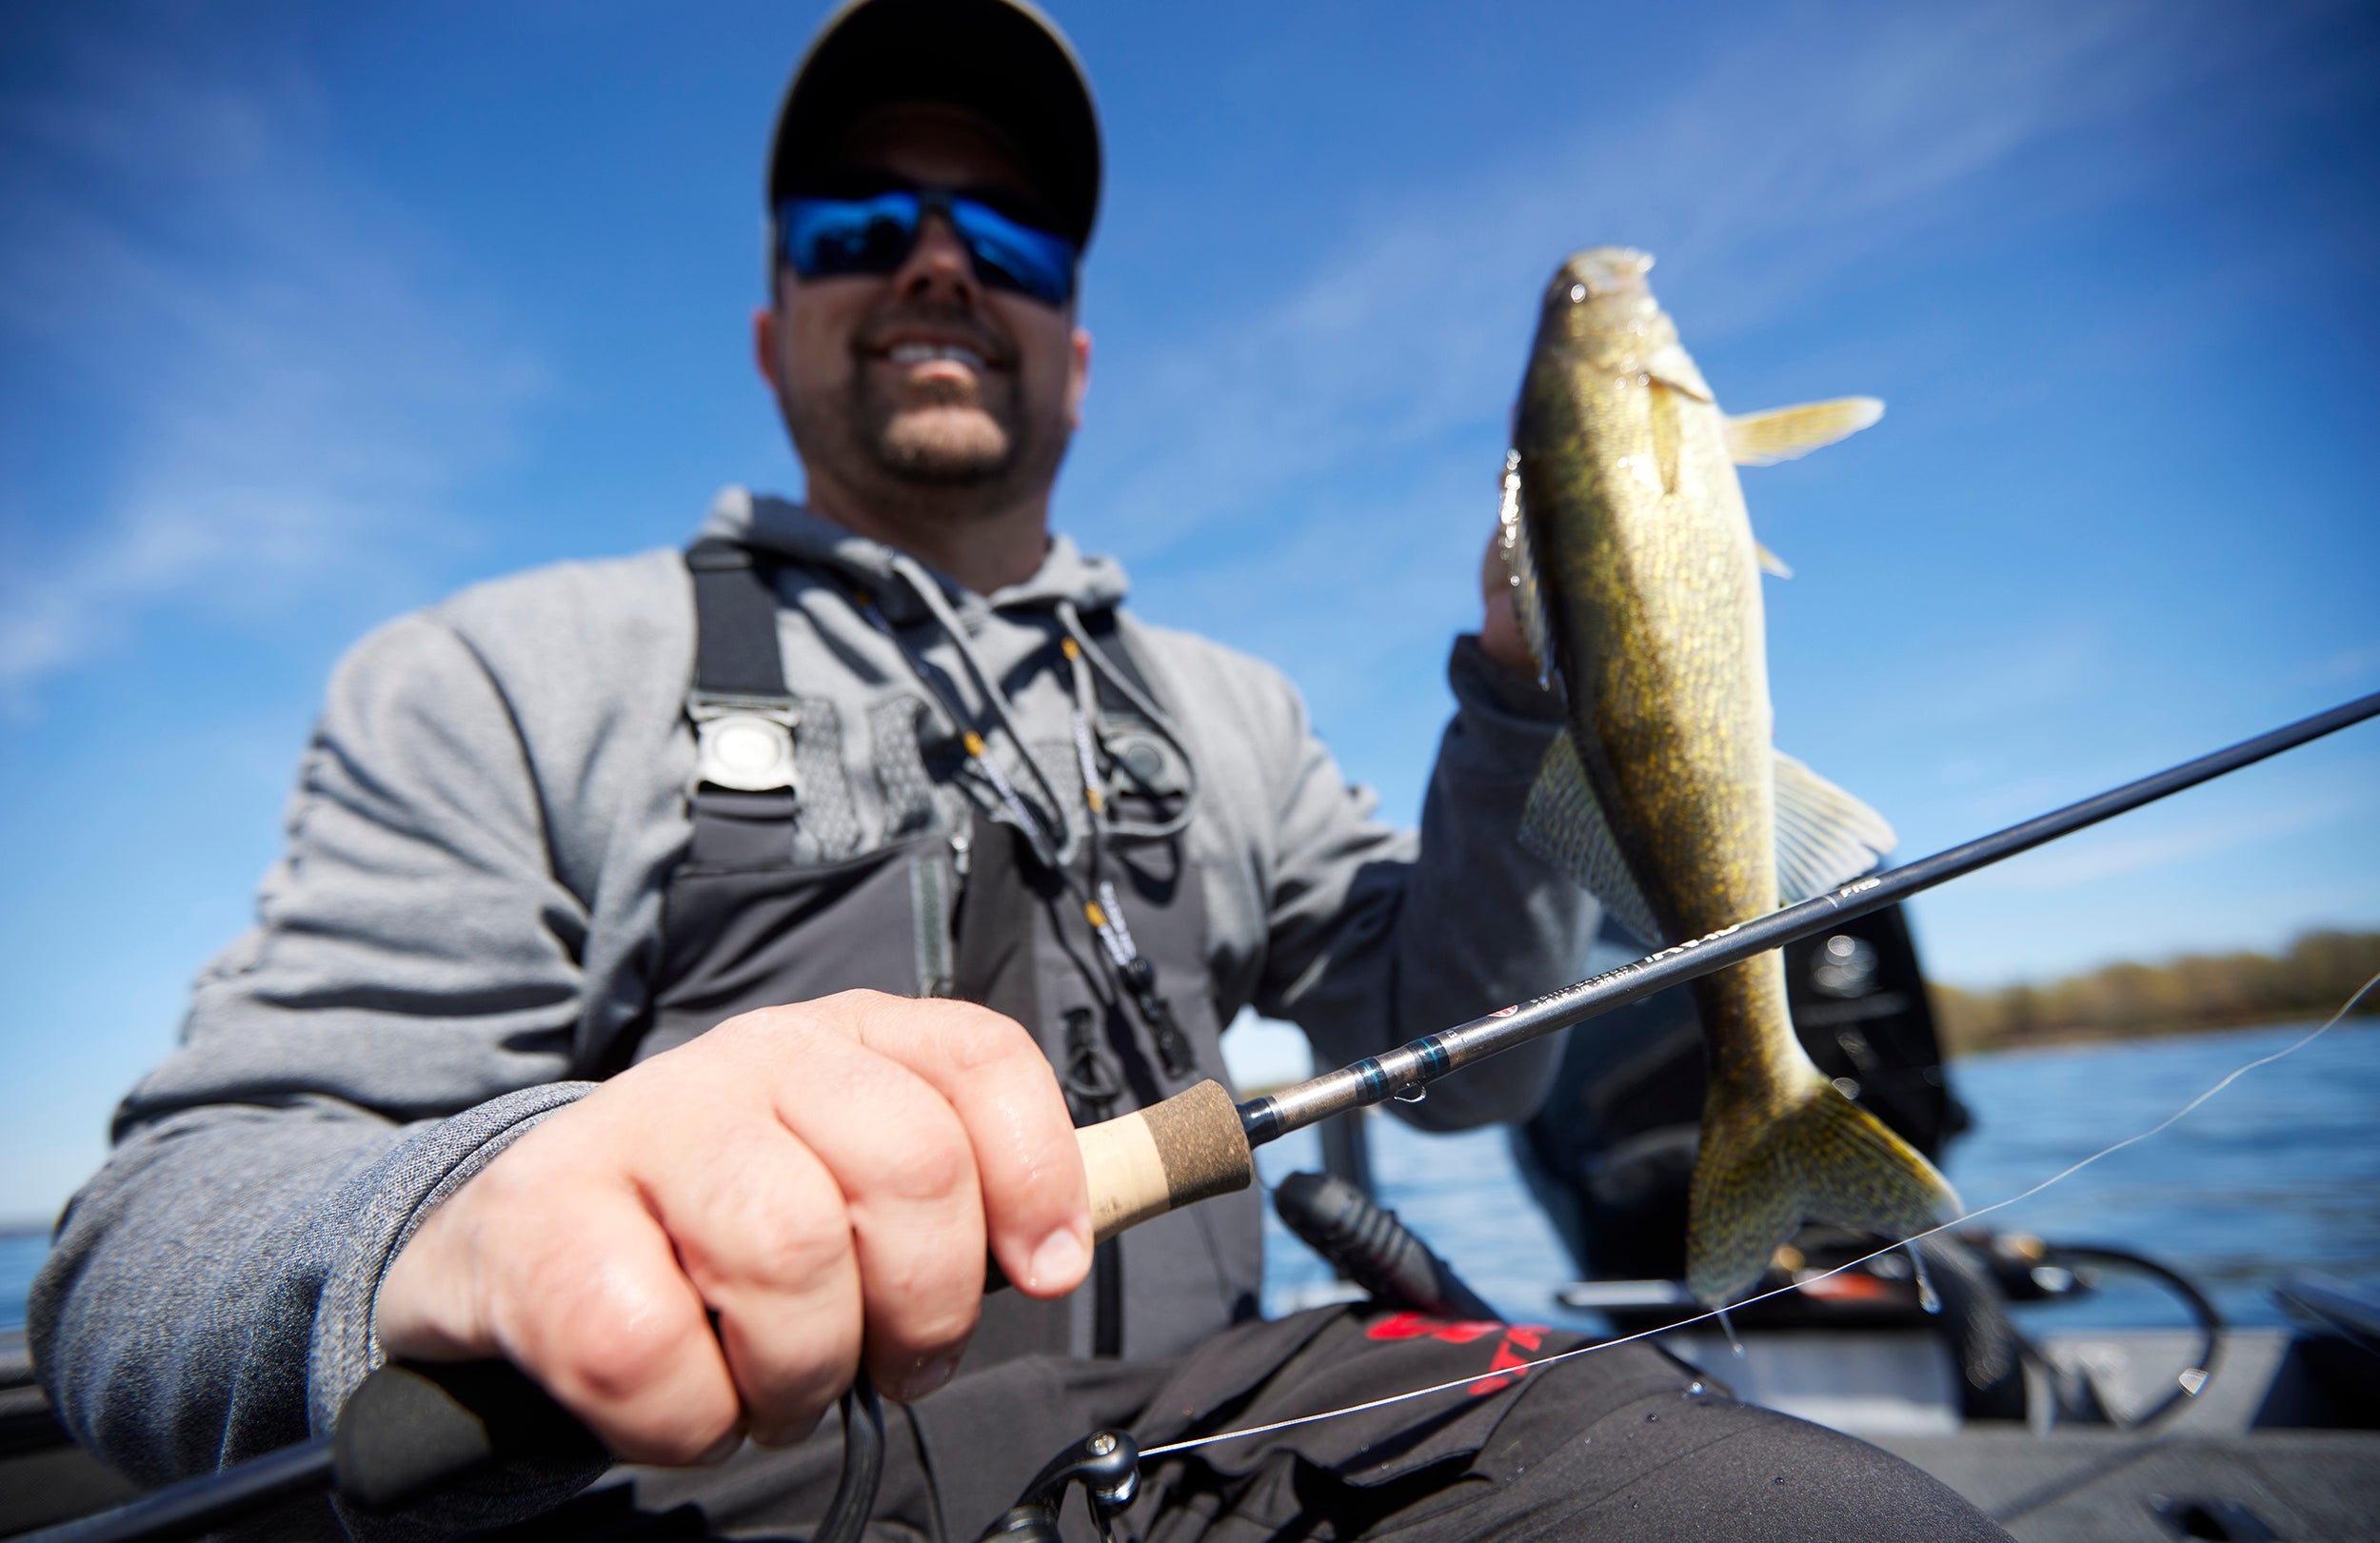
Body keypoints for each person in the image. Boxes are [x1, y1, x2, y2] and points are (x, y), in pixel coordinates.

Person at [31, 2, 2012, 1537]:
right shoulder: (497, 674)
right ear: (771, 330)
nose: (935, 264)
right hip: (713, 1500)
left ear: (1073, 347)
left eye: (1004, 235)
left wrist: (1519, 695)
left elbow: (1474, 1059)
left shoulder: (1233, 711)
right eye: (859, 225)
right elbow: (146, 1254)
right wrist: (476, 1209)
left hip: (1232, 1431)